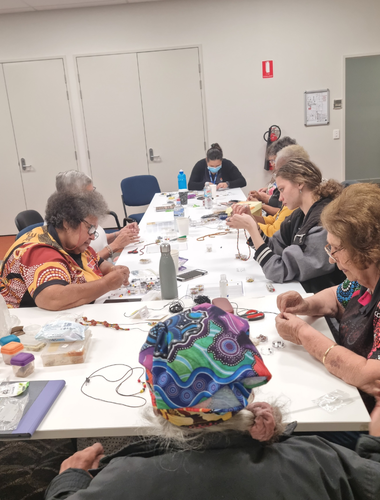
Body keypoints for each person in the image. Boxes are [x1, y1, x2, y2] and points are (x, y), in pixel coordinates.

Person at [45, 304, 380, 500]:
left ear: (157, 398)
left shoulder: (119, 481)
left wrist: (70, 481)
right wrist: (374, 442)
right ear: (247, 381)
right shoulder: (318, 462)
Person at [275, 183, 380, 413]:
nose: (332, 260)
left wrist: (302, 334)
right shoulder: (363, 280)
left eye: (336, 249)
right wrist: (306, 304)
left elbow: (369, 376)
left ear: (366, 249)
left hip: (363, 417)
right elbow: (336, 296)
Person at [227, 158, 345, 293]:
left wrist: (252, 229)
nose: (280, 198)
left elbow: (278, 270)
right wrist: (255, 226)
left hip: (319, 300)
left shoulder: (323, 224)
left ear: (300, 183)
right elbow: (275, 247)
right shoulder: (300, 215)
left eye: (282, 189)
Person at [0, 190, 130, 310]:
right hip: (25, 322)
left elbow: (97, 261)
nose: (92, 236)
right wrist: (106, 284)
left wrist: (113, 270)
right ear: (67, 223)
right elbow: (53, 299)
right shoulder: (39, 251)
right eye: (90, 228)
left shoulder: (72, 242)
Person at [56, 171, 140, 261]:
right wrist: (115, 246)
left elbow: (98, 240)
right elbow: (84, 263)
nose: (94, 197)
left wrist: (118, 234)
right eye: (89, 194)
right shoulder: (65, 224)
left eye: (93, 191)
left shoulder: (85, 213)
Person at [238, 145, 310, 239]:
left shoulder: (296, 203)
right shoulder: (293, 196)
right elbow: (273, 219)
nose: (280, 198)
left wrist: (249, 225)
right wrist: (250, 217)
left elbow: (274, 234)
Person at [248, 136, 297, 216]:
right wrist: (261, 197)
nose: (272, 164)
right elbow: (275, 201)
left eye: (274, 160)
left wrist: (260, 205)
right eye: (271, 161)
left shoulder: (292, 181)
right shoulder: (280, 176)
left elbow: (280, 212)